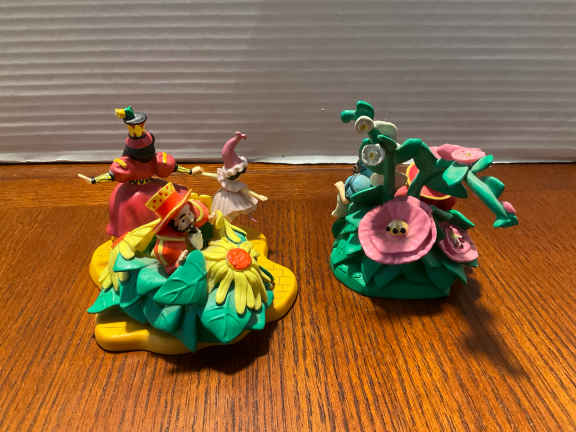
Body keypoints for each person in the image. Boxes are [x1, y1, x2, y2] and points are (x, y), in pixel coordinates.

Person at [78, 106, 201, 237]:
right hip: (132, 194)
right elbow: (112, 175)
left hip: (154, 187)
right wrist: (94, 180)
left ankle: (170, 229)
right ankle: (144, 237)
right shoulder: (126, 165)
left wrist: (190, 172)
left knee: (172, 205)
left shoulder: (155, 160)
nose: (145, 154)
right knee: (136, 216)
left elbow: (172, 167)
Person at [196, 131, 267, 221]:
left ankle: (225, 224)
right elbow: (216, 176)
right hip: (222, 197)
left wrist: (258, 196)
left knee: (231, 213)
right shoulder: (227, 180)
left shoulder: (237, 185)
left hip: (233, 199)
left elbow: (247, 192)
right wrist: (203, 173)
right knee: (220, 213)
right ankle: (219, 222)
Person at [144, 182, 209, 275]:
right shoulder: (166, 249)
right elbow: (170, 269)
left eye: (190, 213)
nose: (190, 219)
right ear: (171, 224)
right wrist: (178, 263)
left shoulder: (195, 220)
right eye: (183, 220)